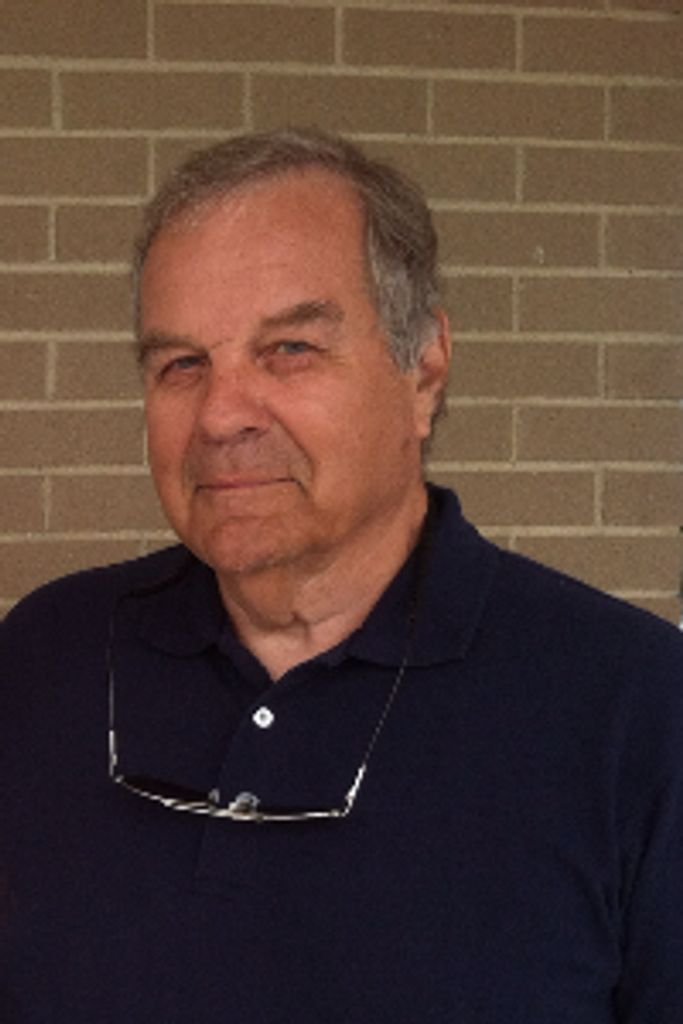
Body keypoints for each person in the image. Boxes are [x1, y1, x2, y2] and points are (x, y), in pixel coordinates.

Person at [1, 128, 682, 1024]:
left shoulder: (636, 710)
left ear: (423, 368)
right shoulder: (44, 657)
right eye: (181, 364)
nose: (220, 416)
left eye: (289, 348)